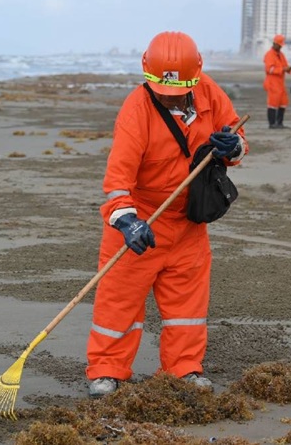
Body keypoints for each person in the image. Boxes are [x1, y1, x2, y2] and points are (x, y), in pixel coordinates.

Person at [85, 31, 249, 397]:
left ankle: (184, 369)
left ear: (196, 76)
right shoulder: (136, 110)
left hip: (188, 223)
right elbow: (117, 182)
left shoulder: (209, 92)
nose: (169, 96)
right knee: (118, 304)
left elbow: (238, 140)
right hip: (140, 220)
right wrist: (126, 221)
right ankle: (107, 371)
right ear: (148, 75)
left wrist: (233, 146)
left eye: (178, 91)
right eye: (163, 90)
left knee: (187, 307)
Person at [263, 34, 291, 129]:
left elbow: (285, 66)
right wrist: (283, 69)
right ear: (274, 44)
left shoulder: (281, 55)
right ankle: (272, 124)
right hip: (272, 83)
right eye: (279, 45)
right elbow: (269, 69)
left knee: (283, 102)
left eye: (281, 45)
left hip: (280, 83)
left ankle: (280, 123)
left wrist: (288, 69)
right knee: (272, 103)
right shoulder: (269, 54)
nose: (280, 47)